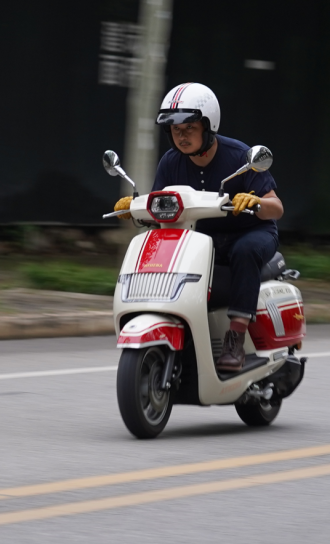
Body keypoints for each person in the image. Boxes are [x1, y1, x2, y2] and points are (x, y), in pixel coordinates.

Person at [113, 82, 283, 372]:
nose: (182, 136)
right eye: (175, 130)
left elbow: (276, 208)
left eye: (189, 128)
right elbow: (160, 206)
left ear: (208, 125)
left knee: (245, 250)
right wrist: (134, 207)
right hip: (203, 238)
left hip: (251, 233)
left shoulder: (240, 156)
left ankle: (235, 340)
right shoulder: (170, 161)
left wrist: (253, 200)